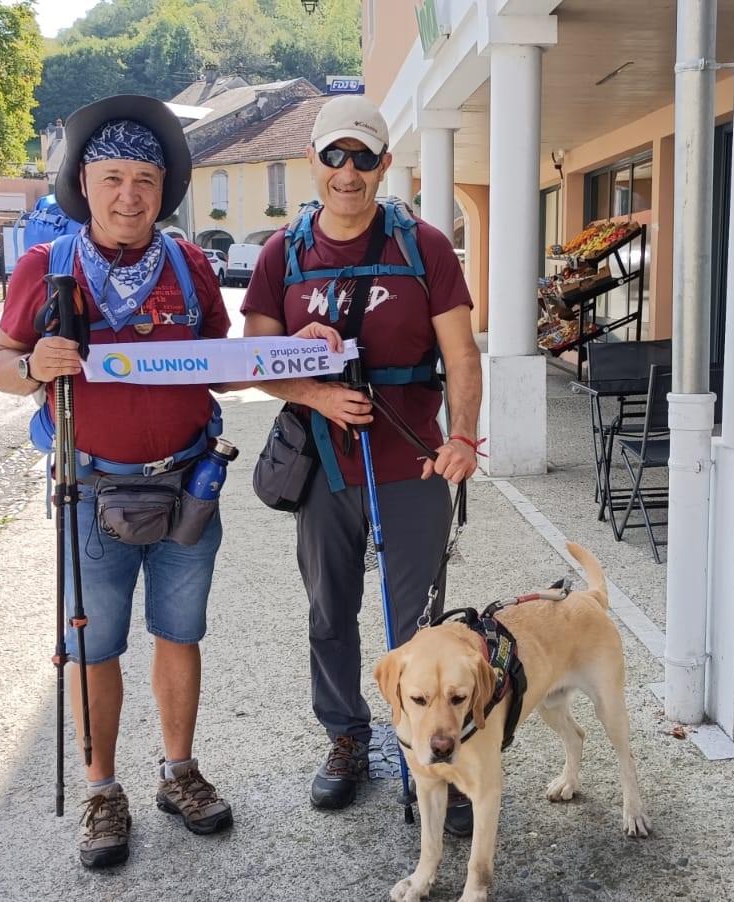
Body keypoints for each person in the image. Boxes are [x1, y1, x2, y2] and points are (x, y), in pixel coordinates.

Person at [0, 94, 235, 870]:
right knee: (93, 648)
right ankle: (101, 791)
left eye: (146, 180)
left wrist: (306, 350)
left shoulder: (191, 266)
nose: (131, 195)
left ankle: (178, 773)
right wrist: (30, 367)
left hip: (187, 485)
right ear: (84, 184)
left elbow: (230, 365)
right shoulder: (45, 266)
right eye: (114, 177)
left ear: (164, 190)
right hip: (89, 492)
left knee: (180, 635)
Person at [240, 95, 483, 826]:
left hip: (412, 465)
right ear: (314, 161)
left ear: (383, 165)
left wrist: (463, 437)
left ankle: (440, 758)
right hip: (325, 467)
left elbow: (462, 355)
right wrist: (314, 392)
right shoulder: (283, 253)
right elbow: (254, 358)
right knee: (329, 613)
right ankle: (346, 738)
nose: (349, 172)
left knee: (425, 628)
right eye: (335, 156)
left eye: (364, 158)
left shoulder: (424, 246)